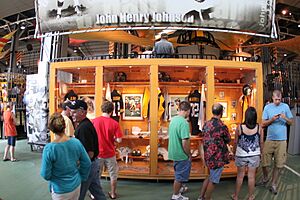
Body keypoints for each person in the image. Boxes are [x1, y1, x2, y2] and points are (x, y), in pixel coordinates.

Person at [40, 113, 91, 200]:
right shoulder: (76, 142)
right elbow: (87, 163)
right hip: (76, 185)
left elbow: (45, 174)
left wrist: (53, 178)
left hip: (59, 189)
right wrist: (82, 177)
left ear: (51, 129)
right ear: (65, 126)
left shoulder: (49, 149)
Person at [68, 100, 107, 200]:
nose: (71, 114)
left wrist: (80, 167)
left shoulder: (84, 127)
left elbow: (90, 153)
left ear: (82, 112)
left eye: (74, 112)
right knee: (97, 193)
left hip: (88, 166)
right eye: (71, 111)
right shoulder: (84, 124)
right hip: (92, 165)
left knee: (79, 195)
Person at [257, 90, 293, 195]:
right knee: (264, 162)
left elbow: (291, 122)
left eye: (279, 99)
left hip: (282, 140)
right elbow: (263, 124)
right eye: (276, 99)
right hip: (270, 139)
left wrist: (284, 117)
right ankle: (265, 178)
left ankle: (273, 184)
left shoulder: (285, 107)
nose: (278, 101)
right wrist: (272, 119)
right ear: (272, 98)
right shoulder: (267, 108)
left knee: (278, 164)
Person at [198, 103, 231, 200]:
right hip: (218, 158)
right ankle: (207, 198)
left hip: (207, 156)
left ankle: (201, 197)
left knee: (209, 176)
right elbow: (228, 140)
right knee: (213, 180)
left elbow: (203, 137)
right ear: (222, 112)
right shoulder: (222, 126)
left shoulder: (206, 124)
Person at [231, 107, 264, 200]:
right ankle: (250, 196)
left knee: (240, 176)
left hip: (241, 155)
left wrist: (234, 153)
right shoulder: (259, 128)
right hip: (254, 155)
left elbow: (235, 142)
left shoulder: (240, 127)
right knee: (251, 177)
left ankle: (236, 196)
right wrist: (261, 153)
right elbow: (261, 143)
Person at [92, 101, 123, 199]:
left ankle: (94, 195)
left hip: (98, 153)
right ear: (112, 111)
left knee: (97, 175)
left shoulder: (93, 121)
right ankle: (113, 193)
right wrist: (113, 138)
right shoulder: (115, 123)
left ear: (102, 109)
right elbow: (119, 140)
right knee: (113, 174)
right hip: (110, 153)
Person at [168, 101, 191, 200]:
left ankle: (180, 189)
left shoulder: (173, 120)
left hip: (173, 152)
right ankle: (176, 195)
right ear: (188, 111)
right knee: (179, 176)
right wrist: (189, 154)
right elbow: (184, 142)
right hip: (181, 154)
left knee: (178, 172)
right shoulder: (184, 123)